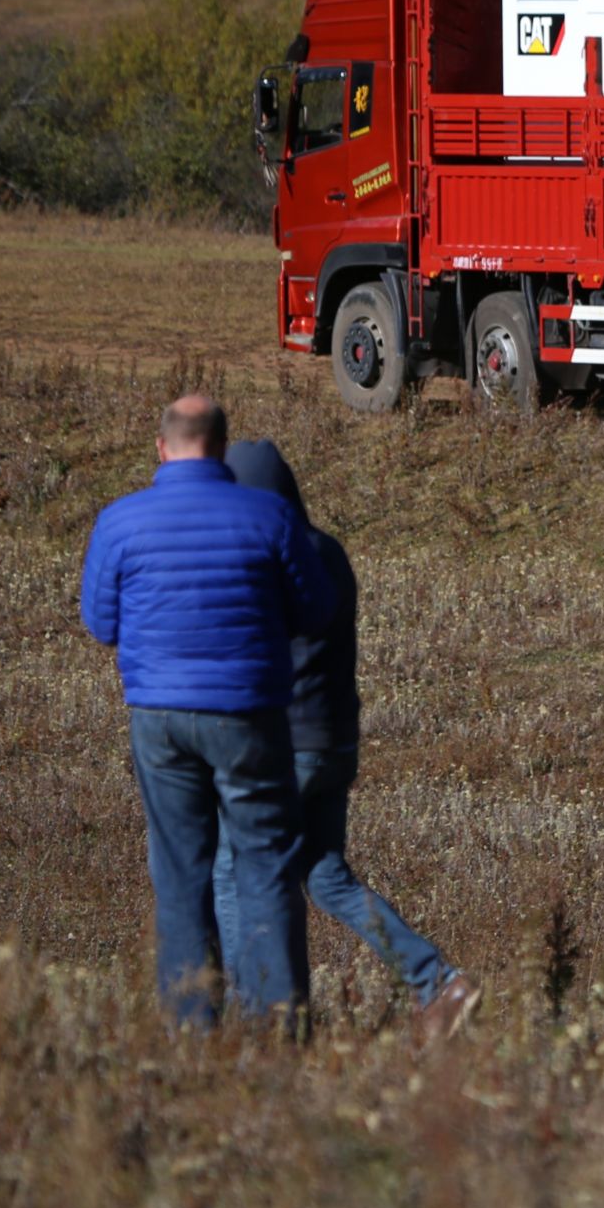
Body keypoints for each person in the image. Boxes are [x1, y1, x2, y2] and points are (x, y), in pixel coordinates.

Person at [212, 442, 482, 1042]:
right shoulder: (328, 552)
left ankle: (253, 1019)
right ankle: (438, 983)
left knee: (231, 870)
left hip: (286, 746)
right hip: (337, 742)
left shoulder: (263, 560)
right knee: (326, 876)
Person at [78, 396, 333, 1028]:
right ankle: (277, 1025)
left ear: (160, 448)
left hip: (158, 717)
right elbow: (315, 613)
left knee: (180, 870)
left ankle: (193, 1028)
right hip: (248, 713)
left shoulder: (118, 522)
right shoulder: (269, 517)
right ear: (223, 448)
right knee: (265, 862)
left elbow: (99, 622)